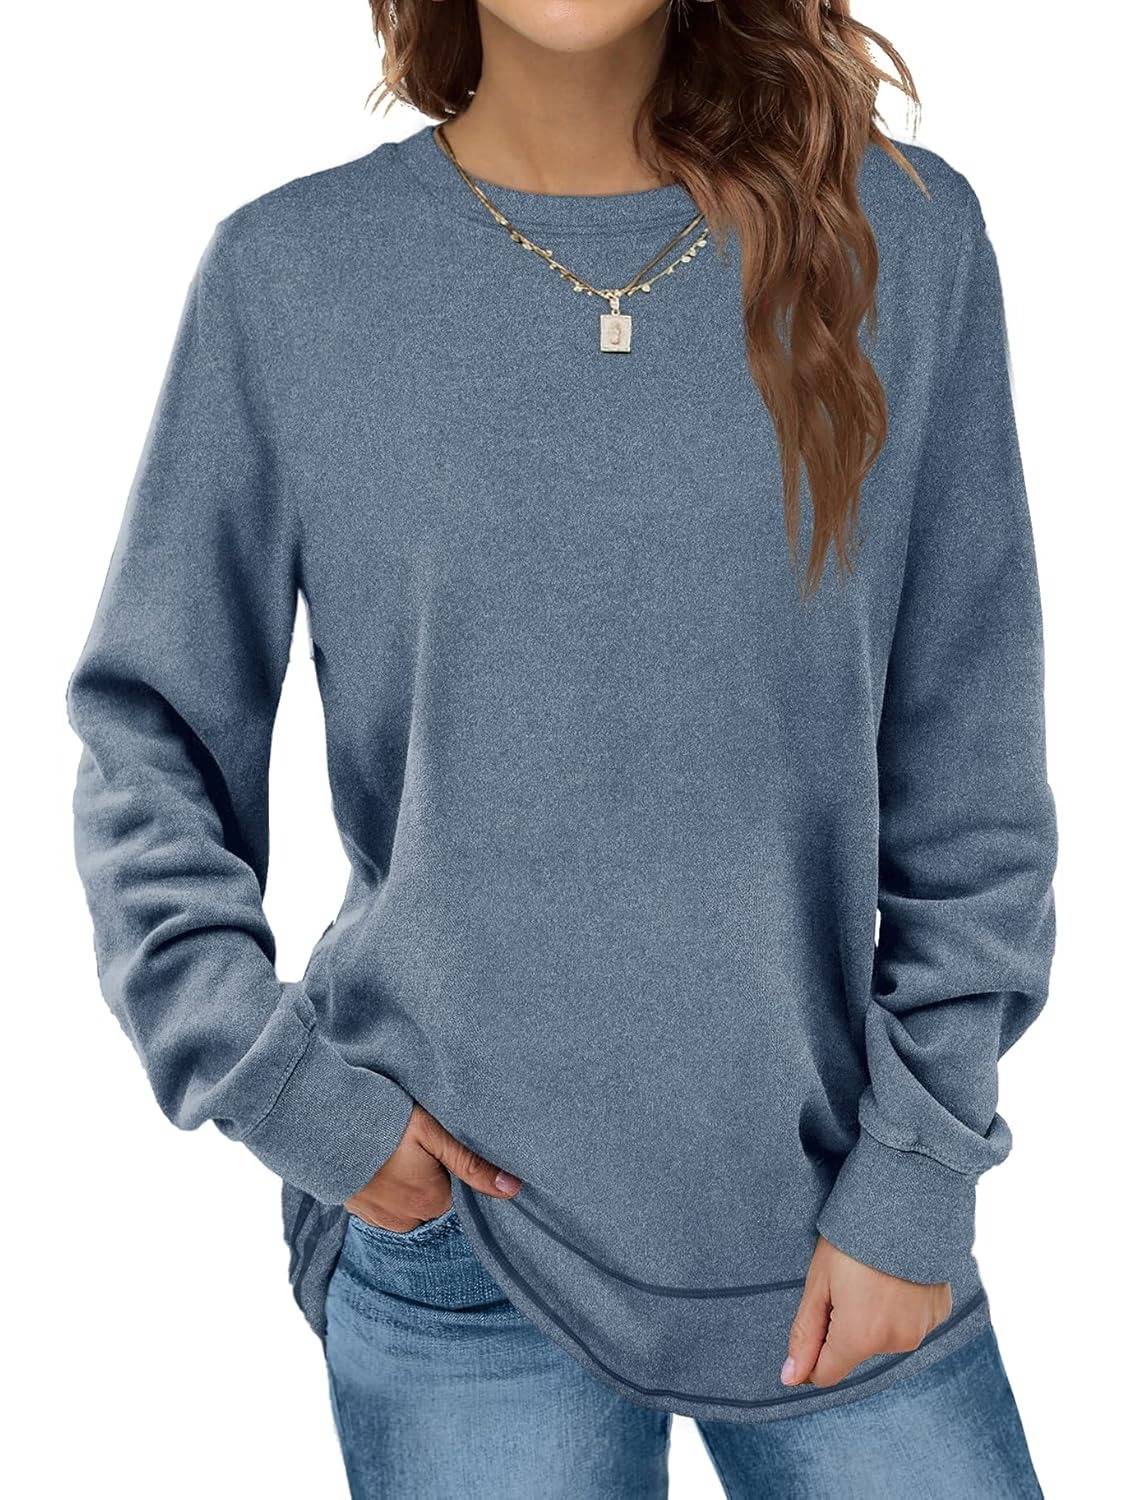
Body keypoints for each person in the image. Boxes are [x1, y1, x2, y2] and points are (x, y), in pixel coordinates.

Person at [65, 2, 1056, 1495]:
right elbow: (149, 740)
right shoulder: (293, 277)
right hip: (458, 1233)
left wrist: (917, 1175)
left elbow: (969, 766)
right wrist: (284, 1090)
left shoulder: (898, 243)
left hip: (833, 1208)